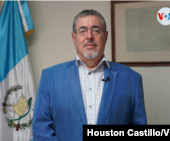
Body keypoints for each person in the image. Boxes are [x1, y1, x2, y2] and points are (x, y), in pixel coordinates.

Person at [32, 9, 147, 141]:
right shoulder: (50, 77)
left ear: (106, 36)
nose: (89, 36)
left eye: (96, 30)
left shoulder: (132, 79)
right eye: (82, 31)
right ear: (73, 37)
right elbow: (41, 129)